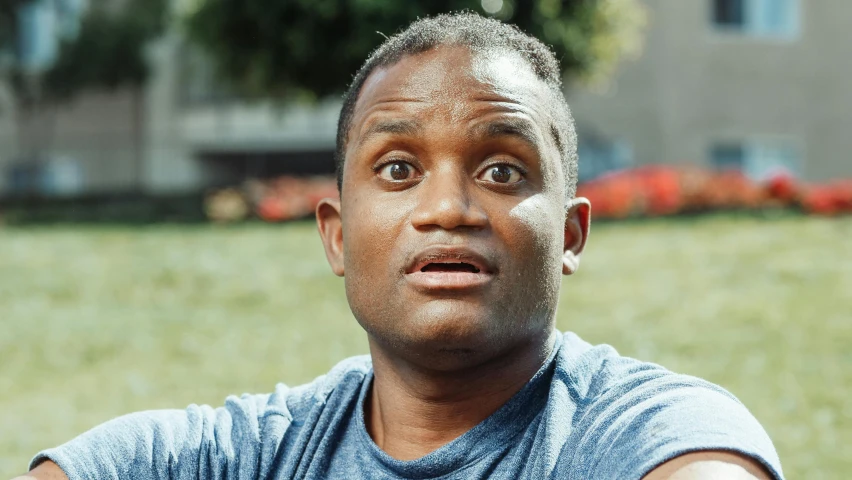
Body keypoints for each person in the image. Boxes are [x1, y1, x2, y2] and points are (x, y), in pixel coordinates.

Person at [17, 12, 784, 480]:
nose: (447, 207)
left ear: (570, 236)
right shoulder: (247, 454)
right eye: (397, 168)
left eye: (500, 168)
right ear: (339, 236)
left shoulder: (645, 430)